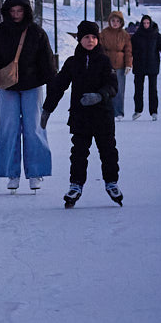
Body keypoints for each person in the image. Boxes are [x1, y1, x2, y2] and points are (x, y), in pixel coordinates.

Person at [0, 0, 56, 191]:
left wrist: (53, 85)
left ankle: (36, 172)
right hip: (8, 88)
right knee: (8, 129)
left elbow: (47, 61)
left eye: (19, 11)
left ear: (26, 11)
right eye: (12, 11)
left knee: (34, 128)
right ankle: (11, 173)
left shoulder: (36, 33)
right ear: (7, 11)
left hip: (32, 87)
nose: (15, 15)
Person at [42, 21, 123, 208]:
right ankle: (75, 185)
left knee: (108, 151)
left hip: (103, 116)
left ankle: (111, 182)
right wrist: (47, 109)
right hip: (81, 117)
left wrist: (99, 96)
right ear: (79, 39)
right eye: (86, 37)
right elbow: (58, 86)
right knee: (78, 153)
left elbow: (113, 86)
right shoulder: (72, 63)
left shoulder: (104, 61)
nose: (91, 40)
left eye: (94, 37)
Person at [130, 14, 161, 120]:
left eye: (148, 23)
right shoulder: (137, 36)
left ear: (151, 23)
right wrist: (128, 62)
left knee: (153, 90)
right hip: (139, 65)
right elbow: (130, 50)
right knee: (138, 89)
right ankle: (138, 110)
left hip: (152, 65)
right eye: (144, 23)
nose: (146, 25)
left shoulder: (156, 35)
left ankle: (154, 111)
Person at [100, 10, 133, 118]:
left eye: (117, 21)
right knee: (106, 88)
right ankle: (108, 110)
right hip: (107, 64)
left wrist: (128, 64)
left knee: (119, 90)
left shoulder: (124, 35)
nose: (115, 23)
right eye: (113, 20)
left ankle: (119, 112)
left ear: (121, 22)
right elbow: (100, 48)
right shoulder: (104, 33)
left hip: (120, 65)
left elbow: (128, 50)